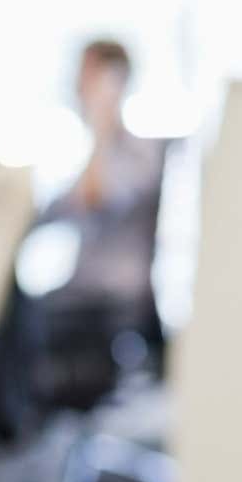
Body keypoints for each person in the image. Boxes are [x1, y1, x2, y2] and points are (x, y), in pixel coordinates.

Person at [35, 39, 166, 409]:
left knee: (16, 321)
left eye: (88, 77)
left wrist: (101, 120)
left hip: (110, 298)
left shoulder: (140, 151)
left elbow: (96, 199)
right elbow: (50, 214)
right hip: (78, 291)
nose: (78, 86)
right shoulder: (90, 154)